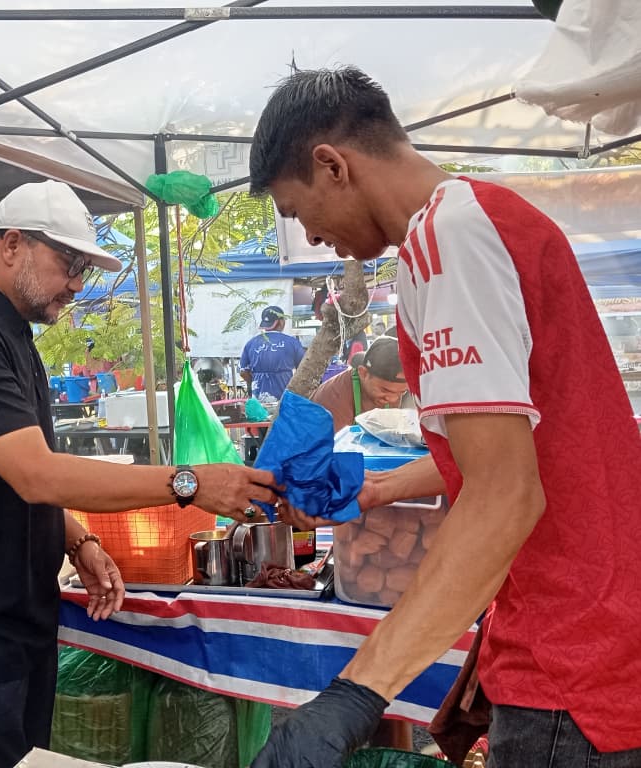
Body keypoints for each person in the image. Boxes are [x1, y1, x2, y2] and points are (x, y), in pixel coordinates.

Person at [248, 66, 641, 767]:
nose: (311, 235)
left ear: (331, 165)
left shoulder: (448, 238)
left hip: (571, 654)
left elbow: (506, 494)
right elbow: (511, 450)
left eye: (295, 208)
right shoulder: (479, 221)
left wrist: (355, 695)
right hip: (599, 638)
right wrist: (377, 491)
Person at [0, 180, 280, 767]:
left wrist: (77, 539)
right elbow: (37, 475)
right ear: (12, 245)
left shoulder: (10, 335)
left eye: (84, 267)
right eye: (69, 263)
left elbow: (3, 477)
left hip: (10, 625)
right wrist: (189, 482)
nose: (78, 284)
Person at [310, 335, 412, 433]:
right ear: (363, 373)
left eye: (401, 392)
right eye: (384, 390)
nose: (393, 399)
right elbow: (330, 447)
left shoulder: (392, 392)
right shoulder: (332, 399)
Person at [239, 305, 306, 399]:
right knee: (282, 413)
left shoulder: (251, 343)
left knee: (259, 414)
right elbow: (303, 369)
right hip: (284, 395)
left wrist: (255, 380)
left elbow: (243, 372)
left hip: (259, 396)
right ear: (281, 322)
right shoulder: (292, 343)